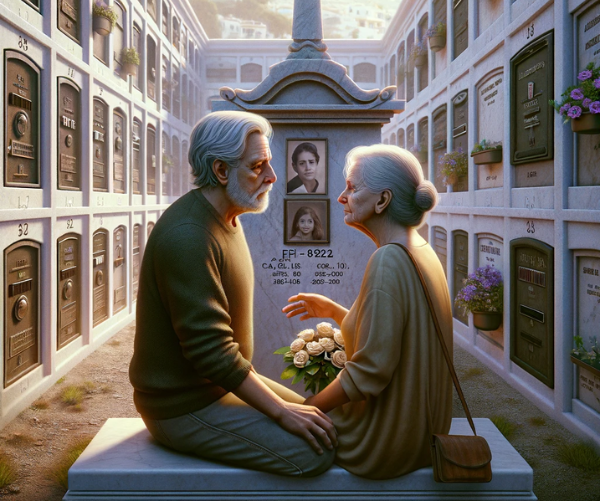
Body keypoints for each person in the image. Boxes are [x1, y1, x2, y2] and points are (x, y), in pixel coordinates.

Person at [129, 111, 336, 477]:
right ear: (221, 171)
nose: (272, 177)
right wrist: (281, 412)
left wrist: (286, 409)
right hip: (183, 406)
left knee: (328, 427)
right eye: (258, 166)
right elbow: (211, 352)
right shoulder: (189, 236)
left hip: (218, 387)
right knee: (313, 453)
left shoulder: (227, 216)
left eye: (270, 163)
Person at [282, 144, 453, 479]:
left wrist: (305, 412)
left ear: (382, 201)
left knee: (262, 409)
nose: (342, 198)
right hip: (418, 434)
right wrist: (334, 310)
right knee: (263, 395)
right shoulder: (418, 248)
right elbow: (396, 334)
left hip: (382, 440)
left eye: (352, 188)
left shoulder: (388, 259)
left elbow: (371, 371)